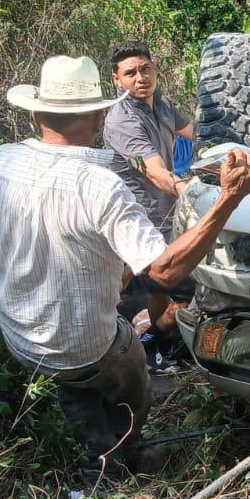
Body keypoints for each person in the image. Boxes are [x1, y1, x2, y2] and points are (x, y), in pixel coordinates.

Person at [0, 54, 250, 482]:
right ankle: (122, 450)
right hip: (85, 346)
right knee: (130, 369)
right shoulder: (100, 184)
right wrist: (228, 199)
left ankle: (86, 429)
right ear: (100, 116)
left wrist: (27, 255)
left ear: (34, 116)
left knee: (81, 373)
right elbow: (163, 274)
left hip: (19, 334)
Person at [102, 40, 195, 354]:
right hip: (137, 224)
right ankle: (142, 349)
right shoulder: (122, 119)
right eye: (130, 73)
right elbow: (154, 172)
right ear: (116, 79)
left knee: (164, 291)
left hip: (165, 215)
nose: (140, 78)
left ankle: (155, 344)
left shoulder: (162, 103)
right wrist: (189, 191)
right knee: (143, 295)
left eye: (145, 69)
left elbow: (193, 131)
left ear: (155, 69)